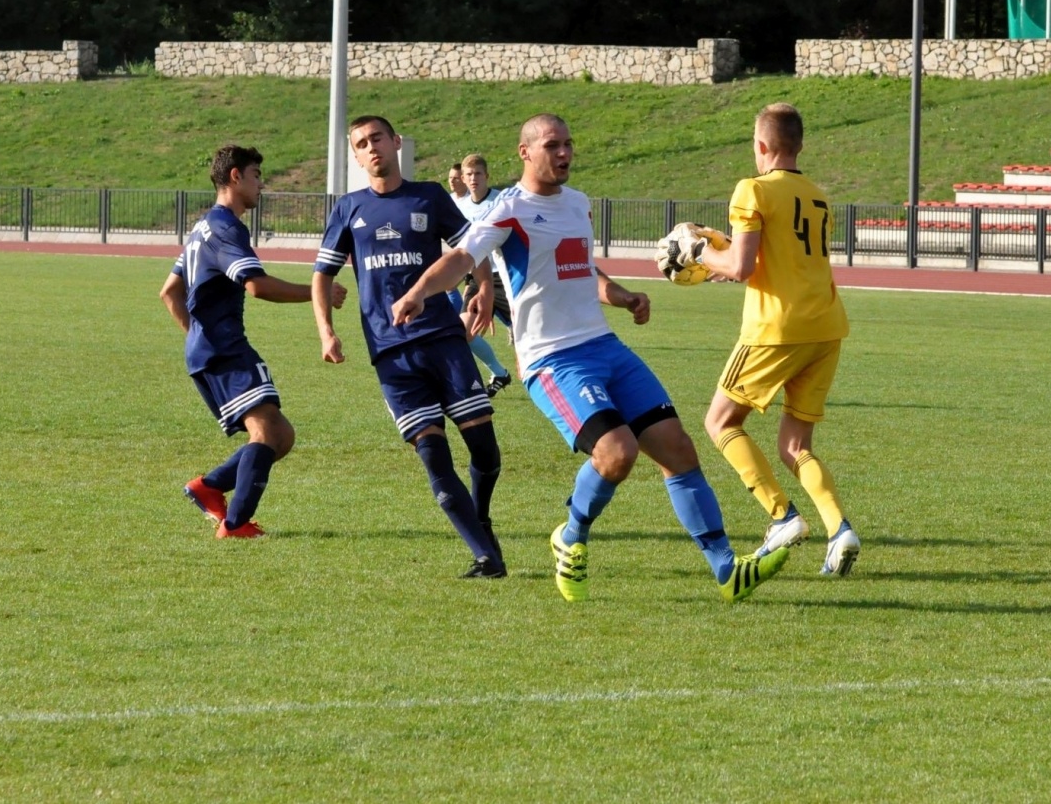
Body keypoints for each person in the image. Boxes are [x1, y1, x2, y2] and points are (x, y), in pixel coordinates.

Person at [393, 113, 789, 603]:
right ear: (525, 152)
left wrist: (621, 296)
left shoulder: (578, 204)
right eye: (552, 145)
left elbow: (581, 268)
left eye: (568, 144)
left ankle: (726, 569)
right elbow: (460, 258)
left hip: (605, 346)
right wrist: (419, 292)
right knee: (617, 453)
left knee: (678, 449)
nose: (564, 153)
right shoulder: (508, 210)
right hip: (552, 360)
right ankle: (571, 535)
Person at [311, 116, 509, 578]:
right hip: (391, 353)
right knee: (433, 455)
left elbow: (469, 247)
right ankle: (485, 555)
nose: (371, 148)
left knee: (484, 449)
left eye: (377, 138)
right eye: (362, 144)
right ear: (356, 156)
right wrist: (326, 331)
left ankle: (480, 517)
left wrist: (483, 289)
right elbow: (322, 275)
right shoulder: (348, 208)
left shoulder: (430, 196)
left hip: (443, 339)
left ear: (396, 142)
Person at [697, 103, 859, 576]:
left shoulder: (752, 189)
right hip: (825, 327)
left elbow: (741, 267)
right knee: (794, 445)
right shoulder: (817, 195)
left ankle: (782, 515)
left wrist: (701, 254)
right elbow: (776, 257)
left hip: (776, 328)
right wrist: (727, 259)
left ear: (762, 145)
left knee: (720, 422)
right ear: (800, 145)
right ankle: (839, 529)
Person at [161, 145, 346, 538]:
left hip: (212, 348)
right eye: (257, 175)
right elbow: (257, 286)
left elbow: (169, 292)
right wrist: (319, 293)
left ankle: (209, 487)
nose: (262, 184)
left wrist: (196, 338)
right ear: (235, 177)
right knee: (265, 432)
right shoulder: (226, 227)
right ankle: (235, 524)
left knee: (281, 435)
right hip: (224, 348)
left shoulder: (202, 228)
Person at [453, 152, 515, 397]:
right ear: (463, 179)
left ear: (487, 176)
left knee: (528, 333)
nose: (473, 178)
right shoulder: (459, 207)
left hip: (505, 275)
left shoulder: (502, 201)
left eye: (478, 173)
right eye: (469, 174)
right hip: (477, 276)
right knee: (463, 331)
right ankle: (499, 372)